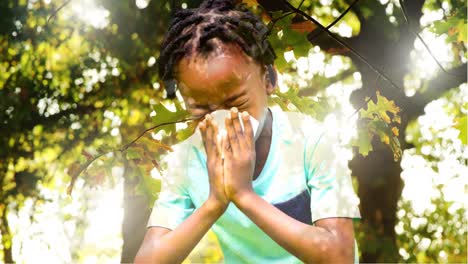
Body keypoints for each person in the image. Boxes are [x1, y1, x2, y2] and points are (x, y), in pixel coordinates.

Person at [134, 0, 361, 263]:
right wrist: (214, 203)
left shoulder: (311, 139)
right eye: (200, 109)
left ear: (269, 79)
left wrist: (244, 196)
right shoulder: (186, 160)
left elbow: (340, 255)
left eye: (236, 103)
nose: (223, 118)